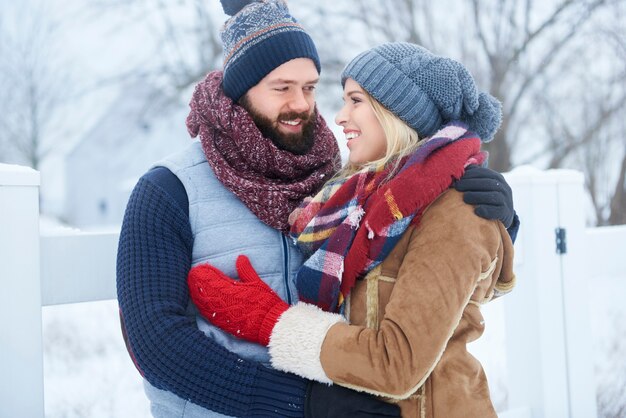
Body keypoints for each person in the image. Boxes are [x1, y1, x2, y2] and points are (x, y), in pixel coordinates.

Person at [116, 0, 518, 415]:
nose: (301, 104)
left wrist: (498, 223)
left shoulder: (339, 185)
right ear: (239, 91)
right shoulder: (169, 190)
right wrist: (299, 403)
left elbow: (426, 274)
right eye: (282, 87)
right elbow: (156, 343)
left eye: (309, 87)